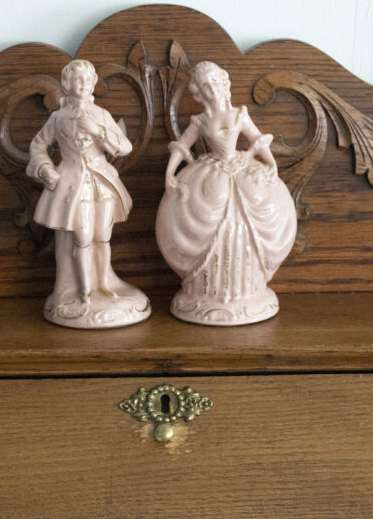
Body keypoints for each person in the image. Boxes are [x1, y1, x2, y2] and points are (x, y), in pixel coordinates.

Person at [157, 61, 296, 325]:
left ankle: (249, 287)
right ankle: (204, 289)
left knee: (259, 202)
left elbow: (257, 140)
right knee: (204, 204)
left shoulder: (239, 114)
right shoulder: (200, 120)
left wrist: (271, 164)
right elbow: (181, 147)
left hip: (242, 167)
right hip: (211, 171)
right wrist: (170, 173)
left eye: (216, 83)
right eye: (206, 86)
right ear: (198, 92)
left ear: (225, 84)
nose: (213, 89)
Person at [27, 59, 150, 328]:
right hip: (72, 182)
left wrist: (99, 131)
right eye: (76, 80)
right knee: (81, 238)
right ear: (66, 84)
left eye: (87, 80)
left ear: (93, 84)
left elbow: (125, 146)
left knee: (102, 236)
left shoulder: (101, 115)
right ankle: (84, 290)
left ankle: (103, 283)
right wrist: (45, 168)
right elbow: (37, 146)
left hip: (101, 180)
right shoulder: (58, 118)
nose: (82, 84)